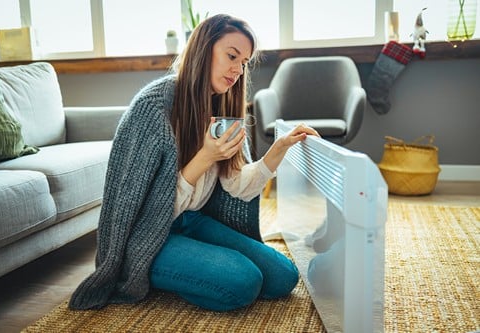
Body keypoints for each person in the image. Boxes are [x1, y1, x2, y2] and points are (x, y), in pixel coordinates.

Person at [69, 14, 319, 312]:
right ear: (204, 48)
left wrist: (279, 149)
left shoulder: (222, 106)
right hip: (149, 235)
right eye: (231, 56)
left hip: (193, 220)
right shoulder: (153, 108)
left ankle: (195, 267)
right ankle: (160, 274)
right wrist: (205, 157)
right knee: (243, 282)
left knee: (283, 277)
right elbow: (142, 210)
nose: (238, 69)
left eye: (244, 62)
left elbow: (237, 185)